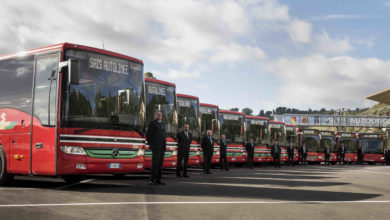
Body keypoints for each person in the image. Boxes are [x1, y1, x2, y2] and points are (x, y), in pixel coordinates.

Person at [146, 111, 167, 185]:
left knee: (160, 164)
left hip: (162, 147)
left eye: (161, 114)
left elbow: (164, 135)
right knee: (155, 164)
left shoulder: (162, 124)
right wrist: (151, 145)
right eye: (158, 114)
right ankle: (152, 180)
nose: (159, 116)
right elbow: (148, 135)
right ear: (155, 115)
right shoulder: (153, 123)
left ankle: (158, 180)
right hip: (156, 147)